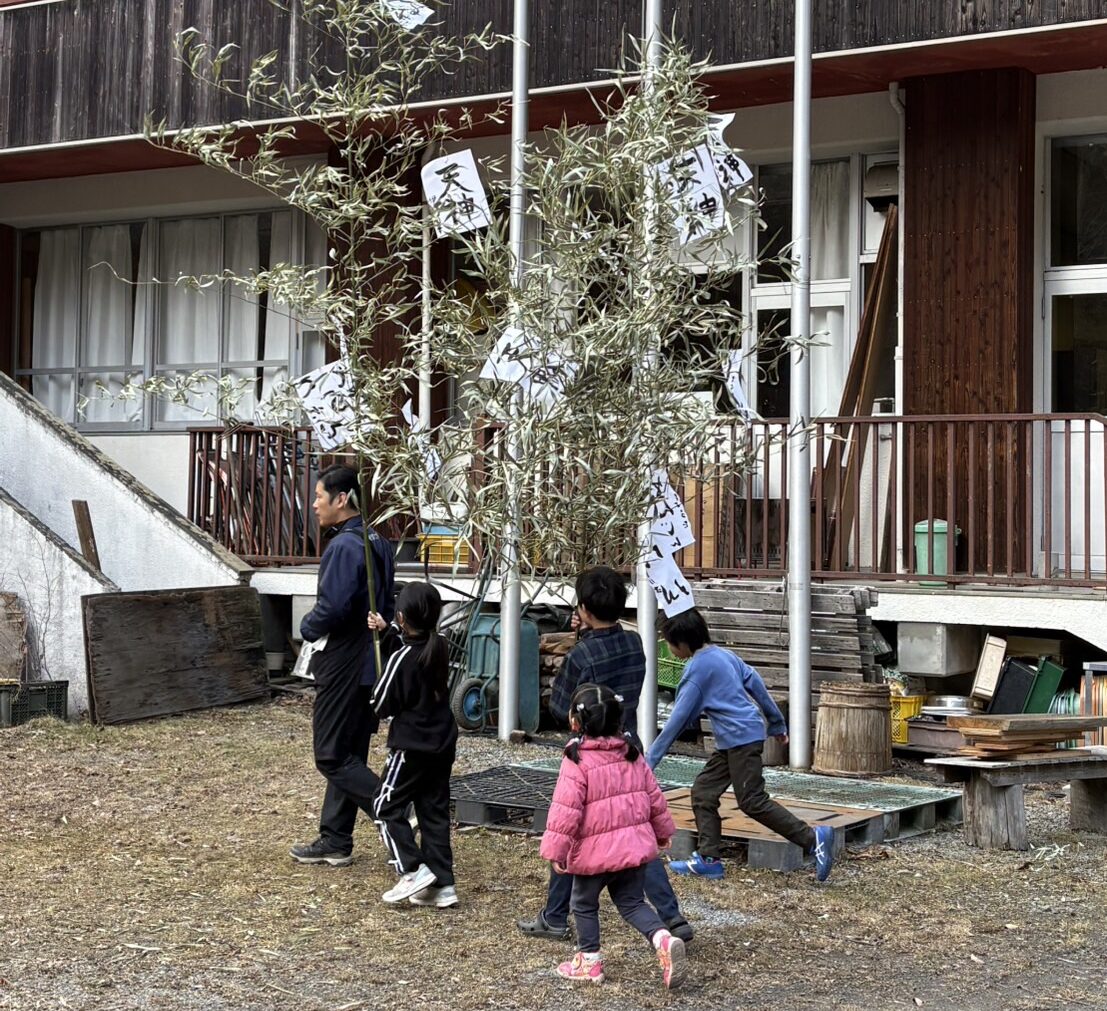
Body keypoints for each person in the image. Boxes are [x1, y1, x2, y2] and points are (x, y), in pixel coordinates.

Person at [516, 566, 694, 944]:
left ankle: (554, 916)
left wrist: (579, 650)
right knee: (638, 833)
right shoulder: (635, 643)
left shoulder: (582, 655)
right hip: (628, 746)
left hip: (591, 755)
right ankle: (671, 916)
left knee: (573, 827)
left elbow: (560, 707)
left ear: (582, 608)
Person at [647, 608, 834, 882]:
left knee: (752, 801)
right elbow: (754, 680)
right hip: (736, 738)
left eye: (668, 641)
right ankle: (708, 859)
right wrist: (776, 722)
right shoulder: (723, 655)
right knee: (703, 792)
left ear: (683, 642)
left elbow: (677, 721)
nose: (668, 647)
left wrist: (649, 761)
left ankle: (812, 838)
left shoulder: (696, 670)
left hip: (741, 740)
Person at [540, 683, 688, 989]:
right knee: (633, 903)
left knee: (583, 903)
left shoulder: (576, 759)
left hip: (594, 854)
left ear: (575, 722)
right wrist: (663, 832)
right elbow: (654, 797)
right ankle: (662, 938)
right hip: (632, 849)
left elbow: (565, 812)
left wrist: (557, 851)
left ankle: (589, 962)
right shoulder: (632, 754)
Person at [289, 464, 396, 868]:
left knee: (331, 754)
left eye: (319, 496)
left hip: (344, 659)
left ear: (342, 499)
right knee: (349, 750)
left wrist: (306, 626)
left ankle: (392, 806)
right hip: (371, 659)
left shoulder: (344, 547)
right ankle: (335, 838)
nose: (314, 504)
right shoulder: (377, 541)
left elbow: (332, 608)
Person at [367, 581, 459, 907]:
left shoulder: (401, 659)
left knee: (384, 806)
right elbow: (413, 638)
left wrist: (389, 640)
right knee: (432, 810)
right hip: (441, 742)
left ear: (403, 617)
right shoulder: (441, 646)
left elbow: (380, 704)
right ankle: (442, 885)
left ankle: (411, 869)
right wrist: (388, 628)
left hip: (411, 747)